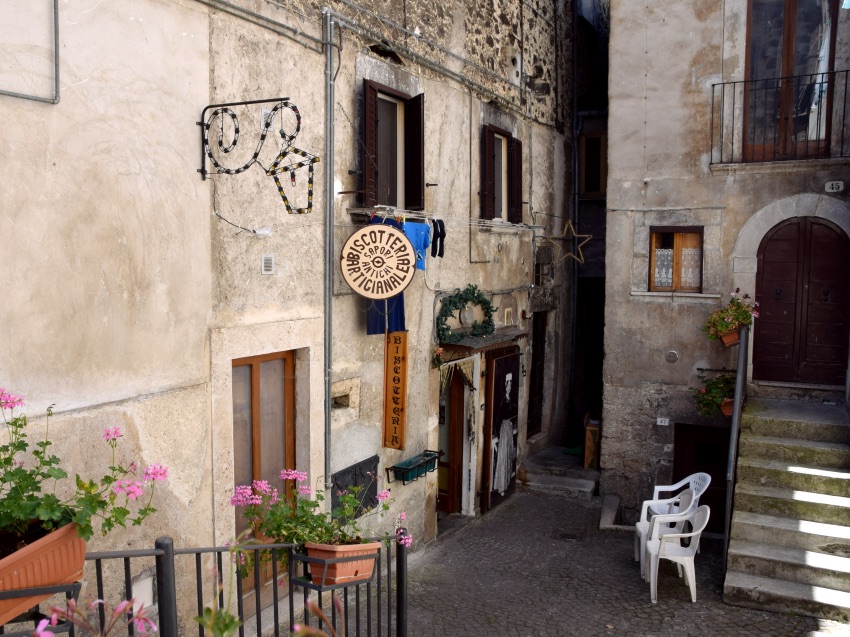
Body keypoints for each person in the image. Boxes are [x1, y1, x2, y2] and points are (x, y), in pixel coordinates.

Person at [491, 372, 517, 495]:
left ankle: (505, 483)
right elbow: (499, 418)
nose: (509, 388)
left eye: (511, 385)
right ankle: (500, 486)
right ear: (505, 386)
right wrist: (497, 432)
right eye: (508, 385)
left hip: (509, 428)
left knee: (508, 454)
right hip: (504, 429)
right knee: (503, 455)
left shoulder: (510, 399)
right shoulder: (503, 401)